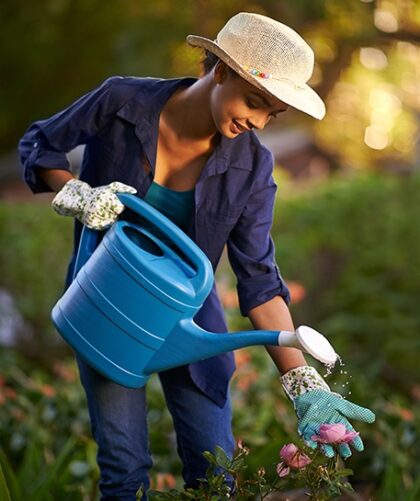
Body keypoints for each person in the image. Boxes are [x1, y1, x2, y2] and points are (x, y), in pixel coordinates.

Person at [18, 12, 375, 500]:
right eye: (254, 101)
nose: (256, 122)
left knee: (217, 475)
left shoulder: (253, 166)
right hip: (110, 306)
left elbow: (260, 281)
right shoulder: (122, 101)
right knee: (124, 471)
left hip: (190, 322)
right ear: (220, 69)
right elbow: (40, 145)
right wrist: (79, 194)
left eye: (271, 114)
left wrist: (302, 381)